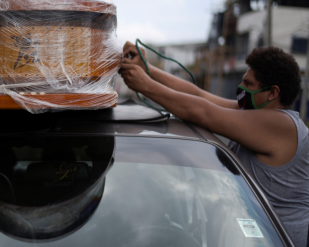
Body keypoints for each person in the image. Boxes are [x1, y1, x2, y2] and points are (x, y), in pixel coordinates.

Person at [120, 43, 309, 247]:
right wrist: (148, 68)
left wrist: (146, 85)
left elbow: (204, 112)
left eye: (249, 83)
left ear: (272, 93)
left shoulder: (282, 125)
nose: (241, 88)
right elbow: (200, 97)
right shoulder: (252, 115)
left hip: (276, 241)